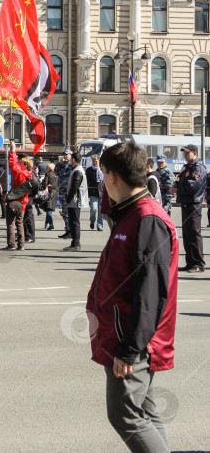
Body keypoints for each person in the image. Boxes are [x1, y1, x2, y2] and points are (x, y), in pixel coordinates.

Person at [86, 141, 178, 453]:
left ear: (112, 176)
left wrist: (129, 350)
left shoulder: (146, 217)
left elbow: (151, 292)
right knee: (145, 411)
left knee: (125, 414)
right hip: (127, 334)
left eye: (102, 175)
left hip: (134, 341)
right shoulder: (132, 213)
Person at [175, 143, 206, 273]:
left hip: (193, 204)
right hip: (186, 202)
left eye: (187, 152)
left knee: (194, 234)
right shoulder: (187, 167)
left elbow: (193, 186)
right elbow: (180, 180)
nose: (185, 155)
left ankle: (198, 263)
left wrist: (178, 188)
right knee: (187, 235)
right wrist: (177, 184)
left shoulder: (198, 168)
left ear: (195, 153)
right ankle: (190, 262)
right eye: (184, 153)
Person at [4, 140, 32, 251]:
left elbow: (12, 164)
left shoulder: (20, 173)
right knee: (20, 223)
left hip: (14, 201)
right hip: (23, 202)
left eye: (21, 162)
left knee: (11, 222)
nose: (19, 162)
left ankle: (11, 244)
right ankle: (21, 245)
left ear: (25, 165)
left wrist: (13, 150)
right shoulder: (29, 174)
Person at [63, 152, 88, 251]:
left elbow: (74, 188)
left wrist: (68, 199)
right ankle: (74, 242)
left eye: (71, 159)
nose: (70, 161)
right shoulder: (76, 170)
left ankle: (76, 243)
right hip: (74, 200)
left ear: (73, 159)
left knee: (74, 221)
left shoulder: (77, 171)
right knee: (73, 221)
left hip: (75, 200)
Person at [56, 149, 72, 239]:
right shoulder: (62, 165)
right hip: (62, 190)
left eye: (66, 154)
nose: (65, 156)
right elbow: (55, 172)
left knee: (67, 212)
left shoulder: (71, 165)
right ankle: (67, 229)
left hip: (67, 191)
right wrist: (59, 164)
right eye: (64, 154)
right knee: (64, 212)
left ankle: (70, 231)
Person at [86, 154, 104, 231]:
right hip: (93, 191)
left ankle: (100, 225)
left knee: (101, 209)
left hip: (102, 191)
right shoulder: (89, 170)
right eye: (93, 161)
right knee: (93, 208)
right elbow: (87, 181)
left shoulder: (103, 169)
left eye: (96, 161)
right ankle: (92, 221)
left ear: (99, 161)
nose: (95, 163)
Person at [40, 162, 58, 230]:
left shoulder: (48, 174)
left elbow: (45, 183)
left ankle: (50, 224)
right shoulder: (56, 174)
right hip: (55, 192)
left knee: (48, 209)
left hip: (49, 192)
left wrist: (42, 183)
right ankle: (47, 223)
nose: (46, 169)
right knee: (49, 208)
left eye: (47, 167)